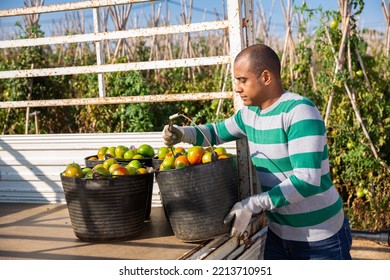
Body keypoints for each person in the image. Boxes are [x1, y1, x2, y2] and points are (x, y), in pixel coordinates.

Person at [162, 44, 352, 260]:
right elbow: (215, 133)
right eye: (236, 81)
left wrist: (252, 204)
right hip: (279, 235)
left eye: (243, 80)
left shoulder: (299, 112)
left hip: (321, 239)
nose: (237, 88)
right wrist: (181, 133)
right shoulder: (249, 114)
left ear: (266, 77)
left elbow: (307, 180)